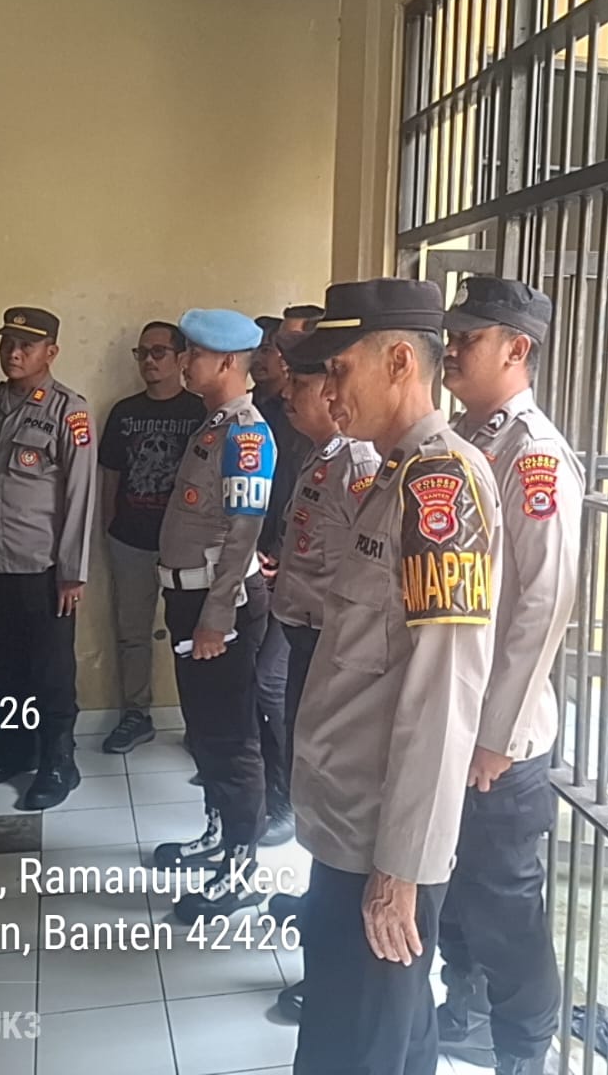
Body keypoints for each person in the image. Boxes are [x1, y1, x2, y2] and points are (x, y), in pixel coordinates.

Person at [287, 280, 502, 1075]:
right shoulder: (393, 475)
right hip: (351, 822)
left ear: (400, 361)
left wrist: (401, 868)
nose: (328, 393)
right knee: (369, 1039)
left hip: (381, 840)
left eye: (339, 369)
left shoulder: (440, 486)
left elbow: (444, 694)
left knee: (361, 1049)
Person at [436, 278, 583, 1075]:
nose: (451, 350)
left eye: (470, 338)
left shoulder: (532, 455)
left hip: (501, 737)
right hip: (453, 718)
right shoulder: (461, 438)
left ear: (516, 349)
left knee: (504, 905)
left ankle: (524, 1051)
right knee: (454, 887)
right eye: (452, 335)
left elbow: (543, 604)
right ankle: (461, 1010)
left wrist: (497, 734)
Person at [266, 325, 380, 1021]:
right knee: (311, 785)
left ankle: (335, 959)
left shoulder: (358, 463)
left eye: (304, 383)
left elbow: (364, 575)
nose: (290, 395)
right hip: (305, 637)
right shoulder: (322, 454)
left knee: (337, 803)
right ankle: (318, 907)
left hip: (334, 650)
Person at [151, 307, 277, 922]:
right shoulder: (214, 424)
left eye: (194, 354)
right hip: (190, 598)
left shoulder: (246, 435)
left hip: (219, 604)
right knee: (204, 729)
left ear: (227, 361)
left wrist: (216, 618)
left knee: (232, 738)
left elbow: (242, 534)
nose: (184, 363)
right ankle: (217, 834)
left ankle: (241, 869)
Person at [0, 307, 96, 811]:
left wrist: (72, 573)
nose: (13, 353)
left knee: (50, 673)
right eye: (8, 342)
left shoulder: (68, 410)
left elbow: (80, 496)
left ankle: (59, 762)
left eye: (26, 345)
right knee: (1, 669)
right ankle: (15, 750)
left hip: (41, 570)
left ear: (50, 352)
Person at [98, 321, 209, 754]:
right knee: (132, 633)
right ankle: (136, 714)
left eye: (158, 351)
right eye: (142, 352)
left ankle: (199, 721)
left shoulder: (200, 412)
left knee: (192, 634)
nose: (148, 360)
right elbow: (110, 476)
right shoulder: (123, 412)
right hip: (130, 538)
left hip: (185, 546)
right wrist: (110, 527)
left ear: (182, 358)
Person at [251, 305, 323, 845]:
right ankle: (274, 786)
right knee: (270, 683)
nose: (278, 354)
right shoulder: (280, 414)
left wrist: (281, 557)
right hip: (280, 572)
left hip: (307, 589)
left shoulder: (344, 441)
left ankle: (288, 799)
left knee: (270, 682)